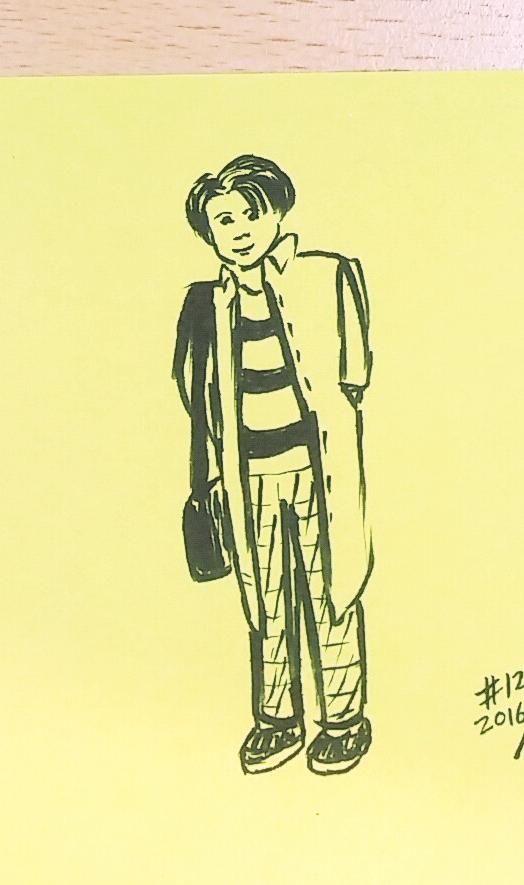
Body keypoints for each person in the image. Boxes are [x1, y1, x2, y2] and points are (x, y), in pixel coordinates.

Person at [173, 154, 374, 776]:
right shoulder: (205, 303)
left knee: (330, 587)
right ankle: (277, 718)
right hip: (247, 474)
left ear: (276, 213)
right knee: (263, 595)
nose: (237, 231)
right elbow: (196, 392)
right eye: (223, 221)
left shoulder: (328, 274)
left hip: (319, 468)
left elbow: (355, 372)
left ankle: (343, 719)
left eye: (248, 216)